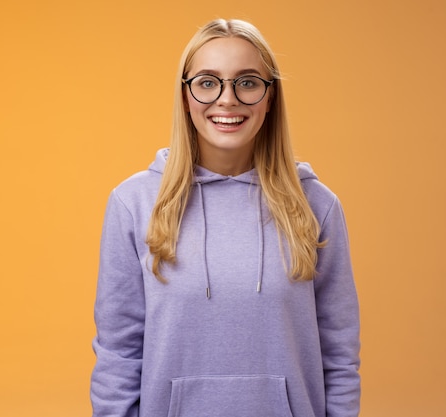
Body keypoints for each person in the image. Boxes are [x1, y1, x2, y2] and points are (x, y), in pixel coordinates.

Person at [90, 18, 361, 417]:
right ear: (185, 96)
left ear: (271, 98)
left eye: (248, 82)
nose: (227, 99)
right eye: (207, 82)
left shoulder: (316, 206)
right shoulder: (134, 203)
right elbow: (118, 353)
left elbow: (339, 356)